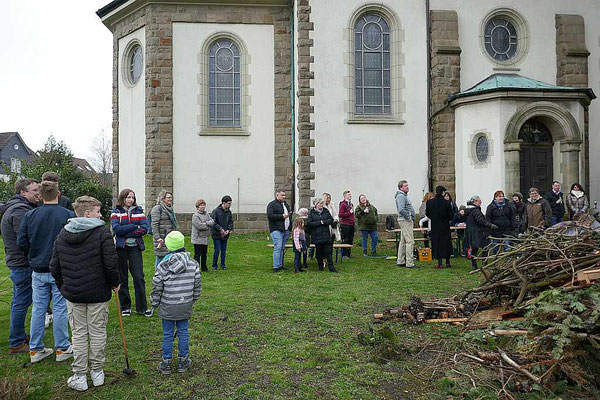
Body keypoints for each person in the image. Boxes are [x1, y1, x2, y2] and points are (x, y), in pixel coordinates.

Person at [49, 196, 120, 391]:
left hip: (81, 293)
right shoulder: (98, 233)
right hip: (84, 292)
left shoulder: (64, 234)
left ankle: (86, 374)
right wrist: (115, 282)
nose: (101, 215)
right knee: (94, 332)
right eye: (98, 211)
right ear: (87, 213)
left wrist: (64, 286)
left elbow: (54, 266)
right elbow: (111, 263)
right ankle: (92, 372)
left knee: (80, 334)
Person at [17, 180, 75, 363]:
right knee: (59, 308)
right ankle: (62, 348)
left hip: (39, 267)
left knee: (39, 308)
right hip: (59, 268)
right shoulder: (67, 215)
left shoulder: (30, 215)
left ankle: (35, 349)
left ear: (40, 196)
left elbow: (22, 242)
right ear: (58, 194)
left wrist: (33, 254)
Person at [151, 231, 201, 375]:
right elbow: (197, 286)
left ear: (168, 246)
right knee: (183, 332)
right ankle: (183, 361)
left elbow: (156, 287)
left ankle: (166, 363)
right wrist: (192, 300)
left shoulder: (162, 265)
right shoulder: (193, 264)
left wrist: (154, 303)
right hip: (185, 304)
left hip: (167, 305)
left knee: (167, 334)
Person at [1, 178, 39, 354]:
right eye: (34, 191)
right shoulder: (19, 211)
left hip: (18, 262)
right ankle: (16, 342)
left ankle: (19, 336)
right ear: (23, 192)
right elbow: (24, 239)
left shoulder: (17, 208)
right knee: (21, 302)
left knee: (19, 301)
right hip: (22, 264)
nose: (38, 194)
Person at [110, 189, 152, 317]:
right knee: (122, 277)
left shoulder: (139, 212)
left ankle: (142, 307)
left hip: (135, 248)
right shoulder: (115, 212)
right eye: (128, 197)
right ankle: (125, 306)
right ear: (123, 198)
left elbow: (145, 229)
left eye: (132, 197)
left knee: (138, 277)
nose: (131, 200)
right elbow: (117, 229)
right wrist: (134, 226)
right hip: (121, 248)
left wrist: (125, 231)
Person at [462, 195, 497, 270]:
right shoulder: (475, 210)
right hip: (479, 232)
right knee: (485, 247)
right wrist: (490, 225)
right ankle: (484, 264)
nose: (481, 202)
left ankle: (474, 265)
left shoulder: (467, 210)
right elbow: (480, 220)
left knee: (474, 249)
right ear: (475, 201)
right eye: (479, 200)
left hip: (471, 232)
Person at [426, 186, 455, 269]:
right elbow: (451, 216)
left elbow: (428, 214)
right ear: (442, 193)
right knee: (446, 243)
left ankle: (439, 262)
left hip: (435, 226)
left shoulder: (430, 202)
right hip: (444, 226)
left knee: (437, 243)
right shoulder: (446, 203)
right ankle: (448, 262)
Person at [307, 198, 337, 272]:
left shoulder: (326, 211)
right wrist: (320, 223)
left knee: (328, 252)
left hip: (326, 234)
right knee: (319, 252)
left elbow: (330, 220)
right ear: (316, 204)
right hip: (317, 235)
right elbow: (310, 223)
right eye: (320, 203)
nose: (321, 205)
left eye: (322, 203)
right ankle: (320, 267)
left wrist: (323, 222)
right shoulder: (311, 212)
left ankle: (331, 267)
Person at [267, 189, 292, 273]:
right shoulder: (272, 205)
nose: (284, 197)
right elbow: (270, 216)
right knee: (278, 247)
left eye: (284, 195)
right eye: (282, 195)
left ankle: (280, 265)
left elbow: (289, 216)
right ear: (277, 195)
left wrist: (290, 228)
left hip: (286, 230)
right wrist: (281, 216)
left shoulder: (286, 205)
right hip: (276, 229)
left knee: (281, 248)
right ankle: (276, 266)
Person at [151, 190, 178, 268]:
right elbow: (154, 224)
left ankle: (165, 275)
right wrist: (157, 238)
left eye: (171, 197)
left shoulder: (169, 208)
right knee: (160, 257)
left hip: (169, 237)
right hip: (161, 238)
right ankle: (157, 276)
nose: (170, 199)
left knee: (169, 257)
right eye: (168, 197)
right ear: (163, 199)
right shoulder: (157, 208)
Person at [395, 180, 416, 268]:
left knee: (403, 241)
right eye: (405, 186)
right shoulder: (401, 196)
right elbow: (401, 209)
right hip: (405, 220)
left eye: (407, 185)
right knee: (410, 241)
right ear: (401, 187)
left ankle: (401, 261)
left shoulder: (403, 195)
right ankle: (410, 263)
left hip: (404, 220)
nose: (407, 187)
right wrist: (408, 217)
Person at [210, 195, 234, 270]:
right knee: (217, 250)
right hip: (216, 234)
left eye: (230, 203)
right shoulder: (216, 211)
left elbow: (231, 222)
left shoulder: (229, 212)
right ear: (224, 203)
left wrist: (228, 230)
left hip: (225, 235)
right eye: (229, 203)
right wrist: (220, 229)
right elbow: (213, 222)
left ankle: (223, 264)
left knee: (224, 251)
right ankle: (214, 265)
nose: (230, 205)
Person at [191, 199, 214, 272]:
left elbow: (212, 222)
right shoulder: (195, 216)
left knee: (204, 254)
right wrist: (207, 225)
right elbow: (199, 226)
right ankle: (196, 269)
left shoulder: (207, 214)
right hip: (197, 239)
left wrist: (205, 223)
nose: (202, 206)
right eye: (201, 205)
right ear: (197, 207)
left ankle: (204, 268)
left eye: (203, 205)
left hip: (205, 239)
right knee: (197, 255)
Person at [338, 190, 355, 258]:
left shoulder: (350, 204)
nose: (350, 196)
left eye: (350, 195)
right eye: (349, 195)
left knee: (350, 239)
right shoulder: (343, 204)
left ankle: (348, 253)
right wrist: (350, 212)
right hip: (345, 225)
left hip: (351, 224)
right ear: (345, 196)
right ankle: (344, 254)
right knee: (345, 239)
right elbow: (340, 215)